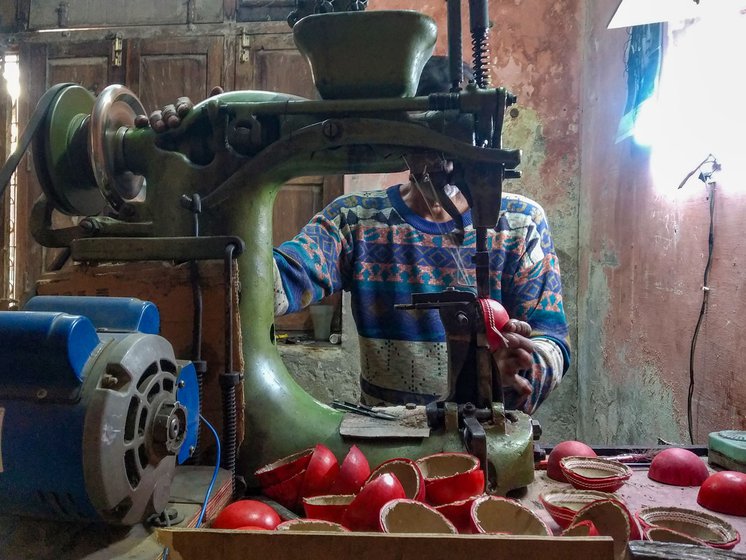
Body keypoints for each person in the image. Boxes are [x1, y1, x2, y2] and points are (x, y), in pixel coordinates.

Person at [140, 56, 570, 414]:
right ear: (400, 134)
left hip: (492, 441)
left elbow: (553, 339)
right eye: (427, 146)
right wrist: (203, 159)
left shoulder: (522, 224)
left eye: (453, 150)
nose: (442, 164)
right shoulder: (355, 221)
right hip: (386, 446)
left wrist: (524, 364)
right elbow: (276, 282)